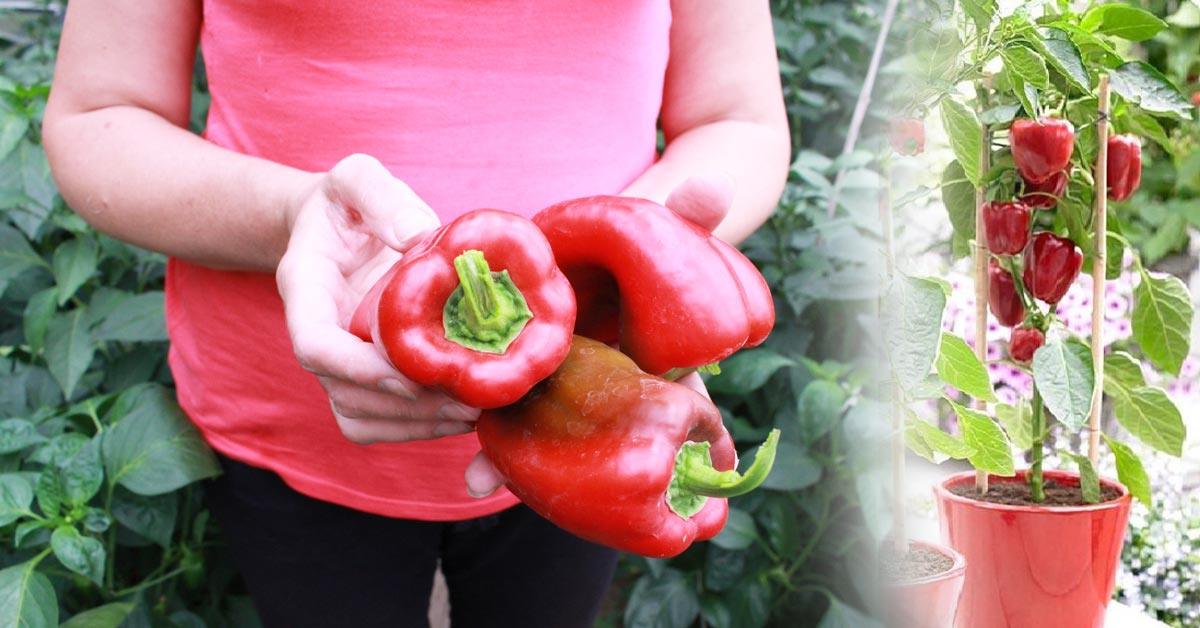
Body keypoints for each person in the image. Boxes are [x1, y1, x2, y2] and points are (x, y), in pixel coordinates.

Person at [42, 2, 790, 626]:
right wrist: (289, 214)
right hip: (288, 413)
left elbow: (738, 117)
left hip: (600, 418)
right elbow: (98, 114)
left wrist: (642, 271)